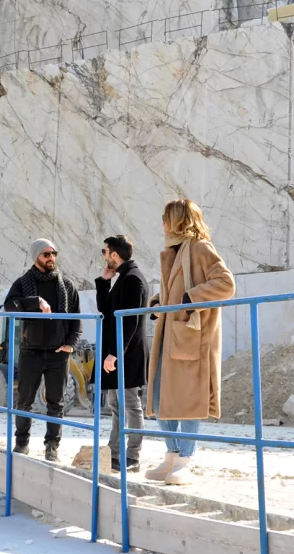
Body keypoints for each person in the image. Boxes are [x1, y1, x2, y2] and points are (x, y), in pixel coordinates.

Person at [145, 199, 235, 485]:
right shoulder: (174, 250)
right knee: (160, 399)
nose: (161, 222)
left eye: (165, 216)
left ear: (177, 219)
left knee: (190, 400)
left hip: (192, 336)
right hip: (171, 335)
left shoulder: (200, 248)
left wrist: (188, 299)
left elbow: (226, 284)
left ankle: (185, 460)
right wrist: (161, 301)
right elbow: (175, 290)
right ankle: (171, 456)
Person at [4, 238, 81, 462]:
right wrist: (35, 301)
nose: (51, 258)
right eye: (46, 254)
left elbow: (76, 319)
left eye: (54, 253)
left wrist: (70, 345)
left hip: (59, 353)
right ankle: (21, 443)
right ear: (36, 256)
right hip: (31, 351)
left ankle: (52, 447)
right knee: (25, 400)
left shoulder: (66, 285)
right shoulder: (23, 283)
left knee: (56, 402)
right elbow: (10, 306)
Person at [95, 235, 149, 473]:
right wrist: (104, 282)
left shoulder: (133, 279)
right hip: (118, 352)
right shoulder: (124, 278)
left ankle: (133, 456)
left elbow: (129, 321)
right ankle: (114, 453)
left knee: (131, 404)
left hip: (126, 353)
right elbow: (105, 309)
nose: (104, 256)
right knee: (117, 405)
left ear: (114, 255)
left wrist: (114, 353)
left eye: (105, 252)